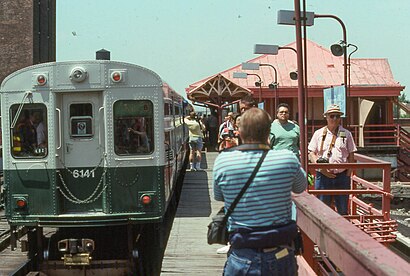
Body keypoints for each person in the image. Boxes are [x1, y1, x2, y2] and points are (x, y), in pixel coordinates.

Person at [213, 108, 307, 275]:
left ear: (240, 132)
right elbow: (300, 187)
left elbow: (219, 196)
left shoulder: (223, 161)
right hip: (280, 253)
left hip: (241, 254)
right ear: (268, 133)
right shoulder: (287, 158)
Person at [308, 104, 357, 215]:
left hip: (341, 176)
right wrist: (320, 168)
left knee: (343, 209)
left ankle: (342, 231)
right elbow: (311, 153)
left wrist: (348, 173)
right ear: (326, 117)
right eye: (332, 116)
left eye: (337, 116)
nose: (335, 119)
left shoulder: (346, 134)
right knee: (322, 209)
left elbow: (351, 153)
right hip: (323, 176)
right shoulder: (318, 133)